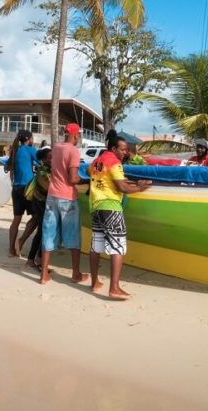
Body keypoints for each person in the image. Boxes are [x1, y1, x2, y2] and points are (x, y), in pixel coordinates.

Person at [88, 130, 152, 300]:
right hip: (111, 207)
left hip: (96, 207)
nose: (125, 152)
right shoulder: (114, 163)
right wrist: (139, 188)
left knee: (96, 246)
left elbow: (93, 175)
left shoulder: (96, 161)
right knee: (118, 247)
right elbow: (122, 187)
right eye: (123, 149)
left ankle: (94, 283)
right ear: (114, 148)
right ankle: (114, 288)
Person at [40, 122, 88, 285]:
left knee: (48, 234)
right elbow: (73, 178)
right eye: (79, 135)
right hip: (67, 198)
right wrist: (87, 180)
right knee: (73, 236)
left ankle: (44, 275)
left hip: (52, 196)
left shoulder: (56, 148)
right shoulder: (73, 151)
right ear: (76, 135)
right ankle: (76, 273)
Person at [4, 129, 38, 258]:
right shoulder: (30, 150)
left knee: (16, 220)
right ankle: (22, 240)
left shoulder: (15, 151)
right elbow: (42, 161)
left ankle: (11, 250)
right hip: (27, 188)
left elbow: (7, 166)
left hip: (16, 189)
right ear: (29, 139)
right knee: (36, 217)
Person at [24, 147, 52, 270]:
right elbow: (49, 187)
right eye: (51, 157)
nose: (53, 159)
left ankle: (34, 259)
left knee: (42, 232)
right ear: (44, 159)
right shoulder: (42, 172)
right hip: (40, 203)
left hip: (41, 203)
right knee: (43, 232)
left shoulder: (46, 170)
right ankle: (36, 260)